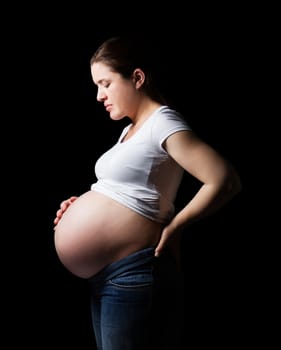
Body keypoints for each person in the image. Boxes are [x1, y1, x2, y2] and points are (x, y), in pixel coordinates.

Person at [53, 35, 242, 350]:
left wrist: (177, 225)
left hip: (132, 272)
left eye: (105, 83)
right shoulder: (130, 129)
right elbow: (131, 190)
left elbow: (224, 179)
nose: (99, 95)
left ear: (137, 78)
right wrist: (80, 206)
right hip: (107, 275)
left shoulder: (163, 123)